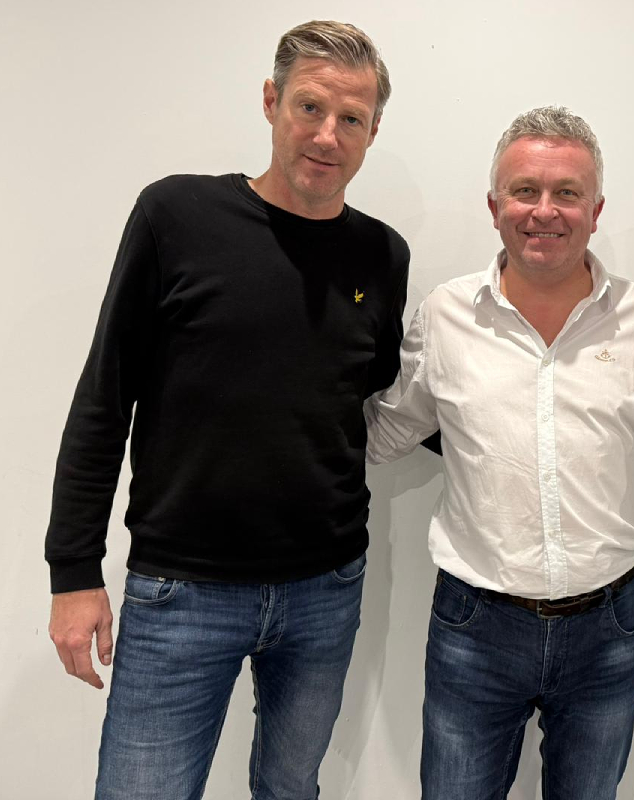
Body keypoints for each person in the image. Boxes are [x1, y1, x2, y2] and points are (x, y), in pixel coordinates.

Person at [44, 20, 408, 799]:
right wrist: (73, 572)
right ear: (272, 101)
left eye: (351, 118)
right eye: (310, 107)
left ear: (373, 131)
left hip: (326, 588)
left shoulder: (383, 255)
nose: (328, 134)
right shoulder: (176, 216)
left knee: (291, 788)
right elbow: (104, 398)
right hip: (183, 590)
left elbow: (377, 395)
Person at [365, 106, 634, 800]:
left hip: (610, 629)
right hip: (475, 627)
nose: (544, 210)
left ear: (596, 210)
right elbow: (385, 433)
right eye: (525, 190)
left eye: (567, 193)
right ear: (494, 205)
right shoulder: (445, 318)